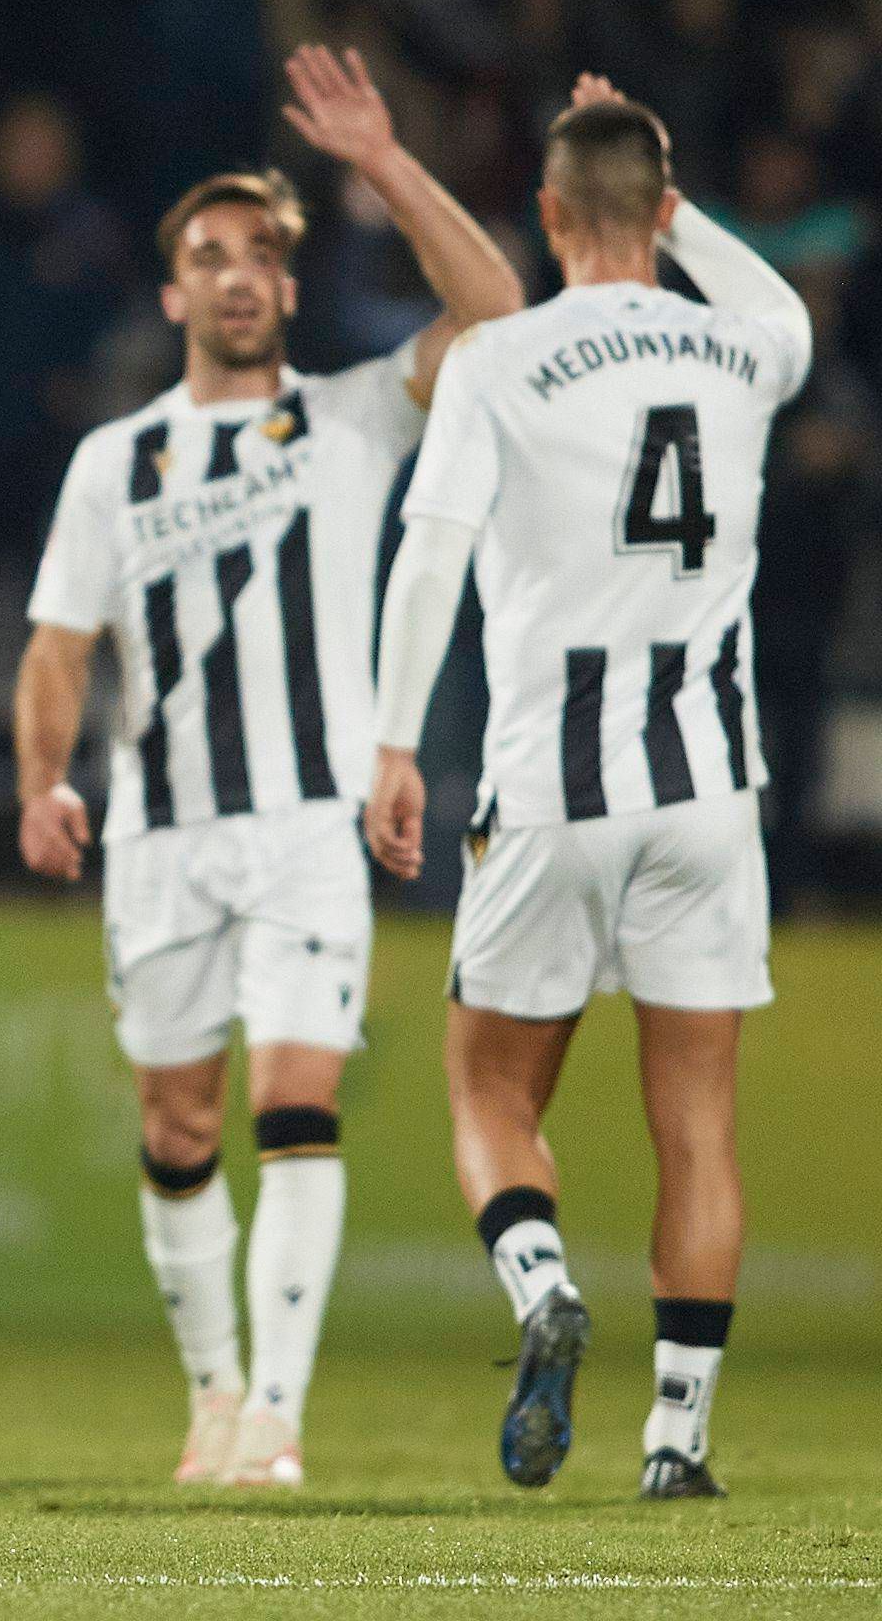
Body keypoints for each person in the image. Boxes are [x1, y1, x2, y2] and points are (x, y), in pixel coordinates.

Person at [13, 47, 526, 1490]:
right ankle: (214, 1395)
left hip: (310, 823)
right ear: (173, 292)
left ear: (288, 291)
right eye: (208, 255)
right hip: (163, 834)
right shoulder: (117, 463)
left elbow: (499, 313)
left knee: (294, 1101)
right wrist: (43, 779)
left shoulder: (358, 414)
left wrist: (384, 164)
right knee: (176, 1122)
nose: (236, 275)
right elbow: (59, 645)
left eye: (258, 256)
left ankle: (278, 1421)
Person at [366, 77, 811, 1501]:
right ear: (665, 215)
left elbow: (430, 555)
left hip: (552, 784)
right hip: (710, 794)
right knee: (699, 1123)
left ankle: (543, 1284)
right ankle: (678, 1442)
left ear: (549, 216)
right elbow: (768, 294)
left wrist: (390, 744)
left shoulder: (501, 357)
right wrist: (675, 198)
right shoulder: (752, 345)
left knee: (490, 1092)